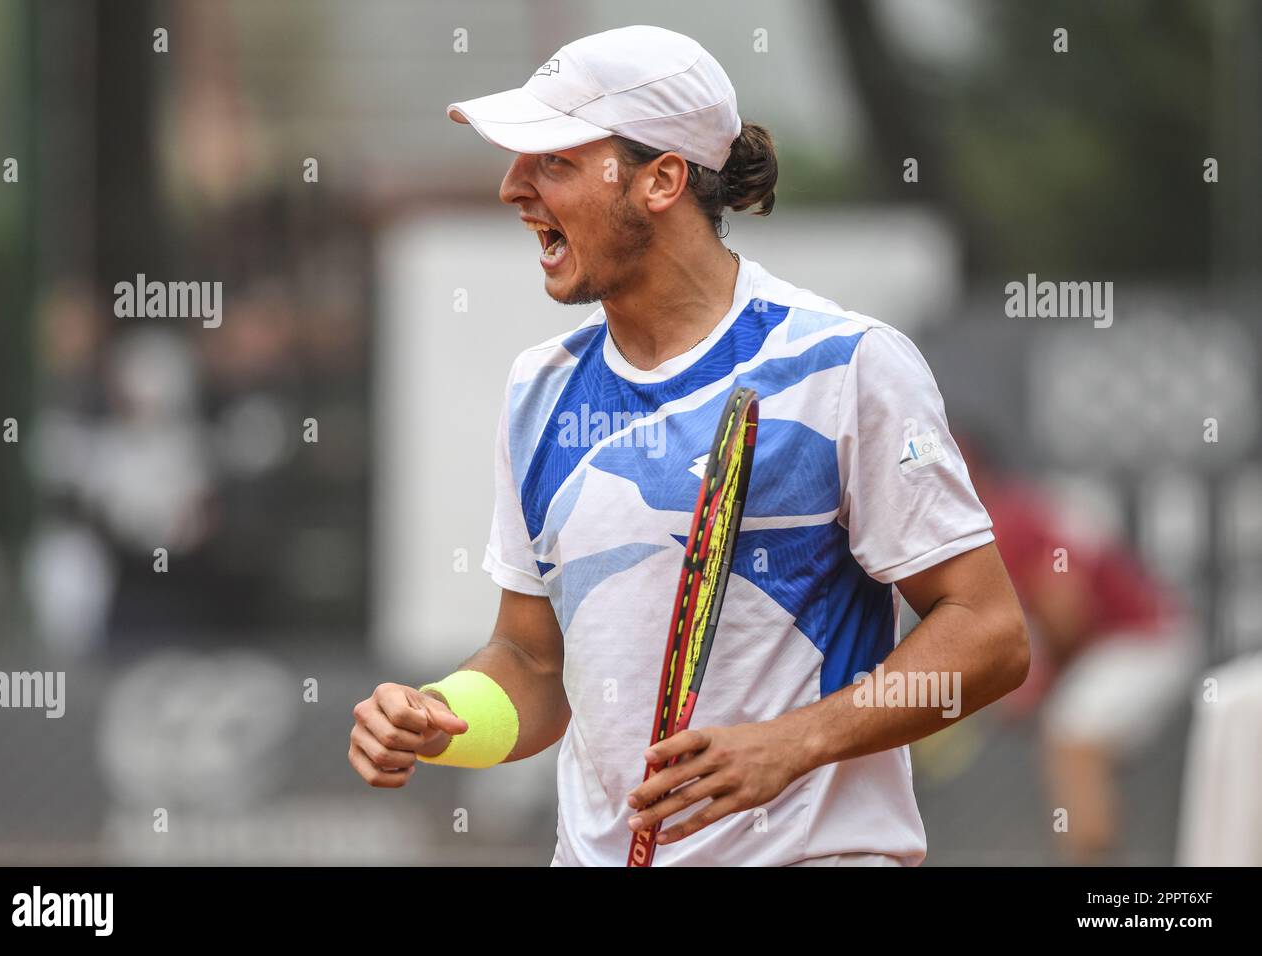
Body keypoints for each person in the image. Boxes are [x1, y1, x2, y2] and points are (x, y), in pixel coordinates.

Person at [350, 24, 1029, 866]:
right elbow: (532, 661)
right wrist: (438, 718)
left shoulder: (846, 364)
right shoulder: (541, 388)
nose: (511, 189)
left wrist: (795, 742)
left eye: (554, 162)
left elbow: (992, 634)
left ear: (661, 179)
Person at [957, 429, 1200, 863]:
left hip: (1143, 641)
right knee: (1072, 738)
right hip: (1132, 642)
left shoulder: (1005, 518)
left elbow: (1066, 605)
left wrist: (1039, 680)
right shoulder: (1015, 509)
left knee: (1073, 734)